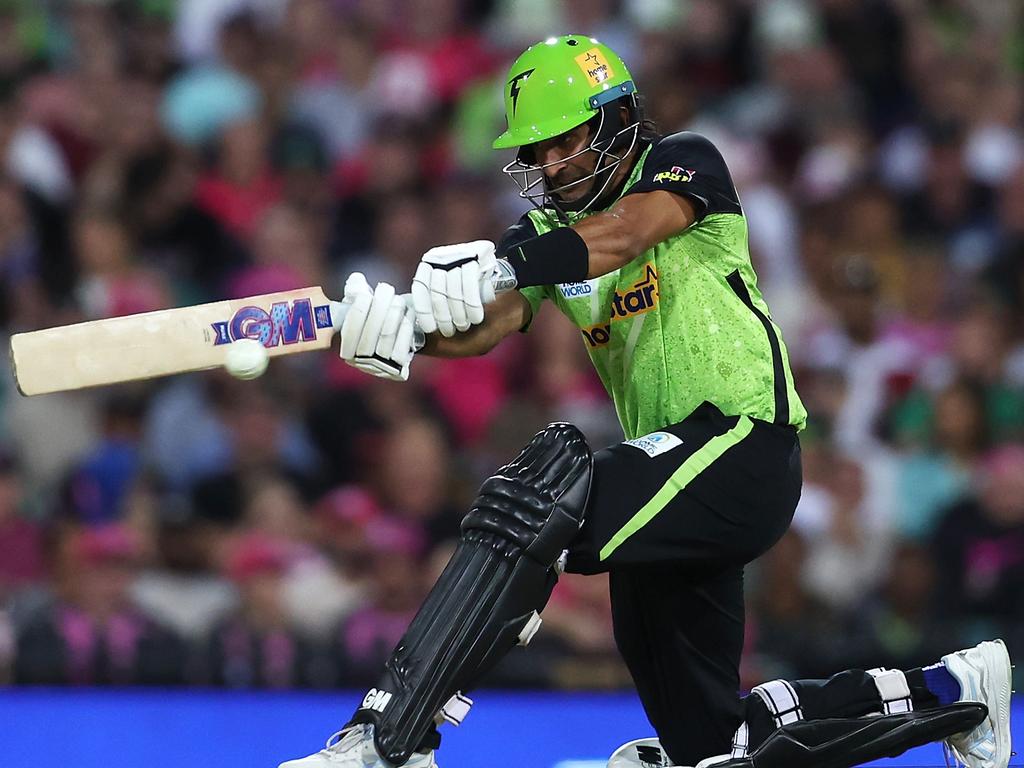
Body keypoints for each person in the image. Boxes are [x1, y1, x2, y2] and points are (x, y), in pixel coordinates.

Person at [278, 35, 1012, 768]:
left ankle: (389, 740)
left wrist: (500, 263)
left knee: (538, 498)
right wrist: (395, 336)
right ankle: (956, 689)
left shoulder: (682, 163)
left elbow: (625, 234)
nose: (549, 166)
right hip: (672, 484)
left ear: (614, 118)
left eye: (562, 142)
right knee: (712, 747)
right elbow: (490, 324)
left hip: (740, 444)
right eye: (535, 153)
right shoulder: (547, 233)